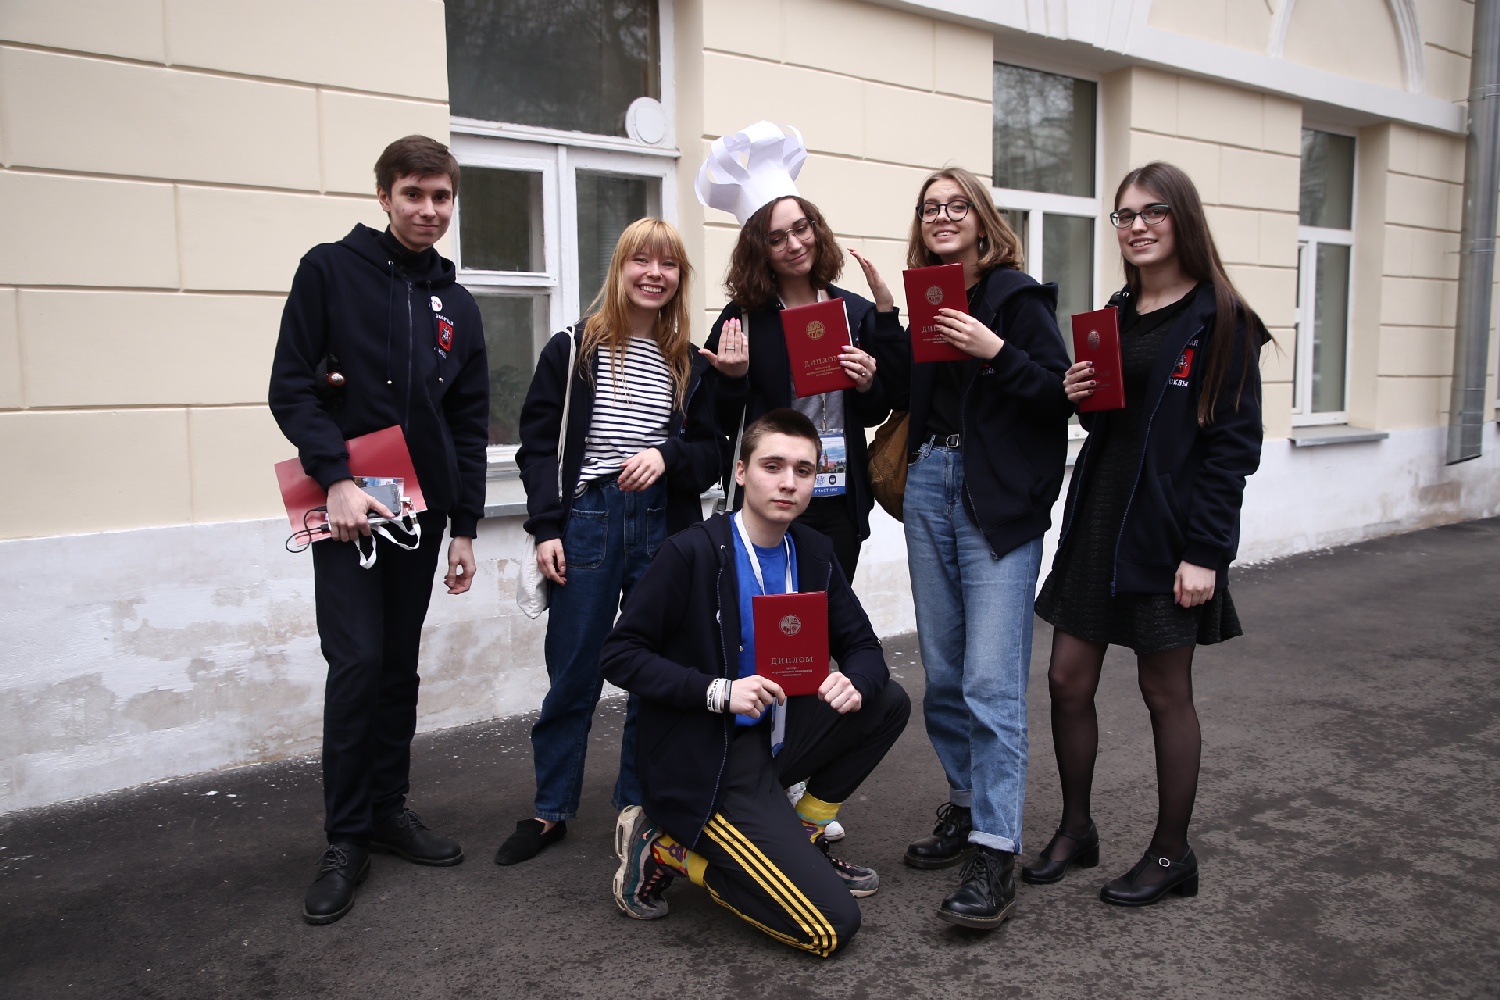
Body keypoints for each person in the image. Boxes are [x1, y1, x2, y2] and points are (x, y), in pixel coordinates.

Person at [1028, 161, 1267, 906]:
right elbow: (1117, 417)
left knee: (1165, 691)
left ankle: (1170, 854)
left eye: (1152, 212)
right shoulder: (1118, 312)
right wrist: (1079, 395)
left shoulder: (1223, 319)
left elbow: (1232, 450)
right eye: (1125, 215)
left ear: (1181, 218)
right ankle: (1077, 829)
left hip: (1169, 532)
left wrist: (1206, 553)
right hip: (1101, 516)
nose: (1136, 227)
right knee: (1067, 678)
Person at [268, 135, 488, 925]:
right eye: (413, 194)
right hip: (347, 511)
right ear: (384, 197)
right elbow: (291, 387)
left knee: (397, 667)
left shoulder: (457, 304)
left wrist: (465, 527)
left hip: (419, 516)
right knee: (357, 663)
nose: (428, 210)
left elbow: (467, 420)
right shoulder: (329, 271)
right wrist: (335, 478)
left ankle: (389, 810)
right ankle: (346, 837)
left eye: (441, 197)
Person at [601, 409, 910, 957]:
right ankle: (668, 849)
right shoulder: (691, 552)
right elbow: (620, 655)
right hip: (708, 759)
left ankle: (804, 835)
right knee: (829, 927)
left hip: (778, 736)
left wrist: (855, 682)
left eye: (803, 470)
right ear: (741, 472)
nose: (789, 482)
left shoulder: (813, 552)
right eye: (773, 466)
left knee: (886, 700)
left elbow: (864, 647)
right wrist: (718, 691)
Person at [858, 166, 1071, 929]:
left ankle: (995, 849)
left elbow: (1059, 394)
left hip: (994, 499)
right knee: (945, 673)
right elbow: (907, 396)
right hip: (928, 483)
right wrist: (884, 333)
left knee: (990, 680)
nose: (942, 215)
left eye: (956, 205)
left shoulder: (1017, 298)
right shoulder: (929, 296)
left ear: (983, 219)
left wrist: (994, 348)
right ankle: (966, 803)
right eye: (930, 207)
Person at [500, 219, 722, 866]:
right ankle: (550, 810)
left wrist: (667, 454)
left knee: (654, 674)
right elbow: (537, 448)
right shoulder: (573, 349)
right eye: (640, 260)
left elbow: (711, 453)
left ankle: (636, 808)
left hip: (663, 526)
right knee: (573, 671)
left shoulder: (688, 361)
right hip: (588, 522)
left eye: (668, 264)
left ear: (680, 277)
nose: (654, 273)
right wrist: (546, 528)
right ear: (619, 268)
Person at [699, 180, 895, 583]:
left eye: (801, 229)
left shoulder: (853, 313)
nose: (794, 244)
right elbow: (718, 418)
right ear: (760, 251)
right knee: (769, 608)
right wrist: (733, 379)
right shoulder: (743, 319)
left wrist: (866, 384)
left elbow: (875, 412)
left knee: (828, 610)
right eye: (776, 239)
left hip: (839, 498)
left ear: (815, 230)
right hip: (770, 496)